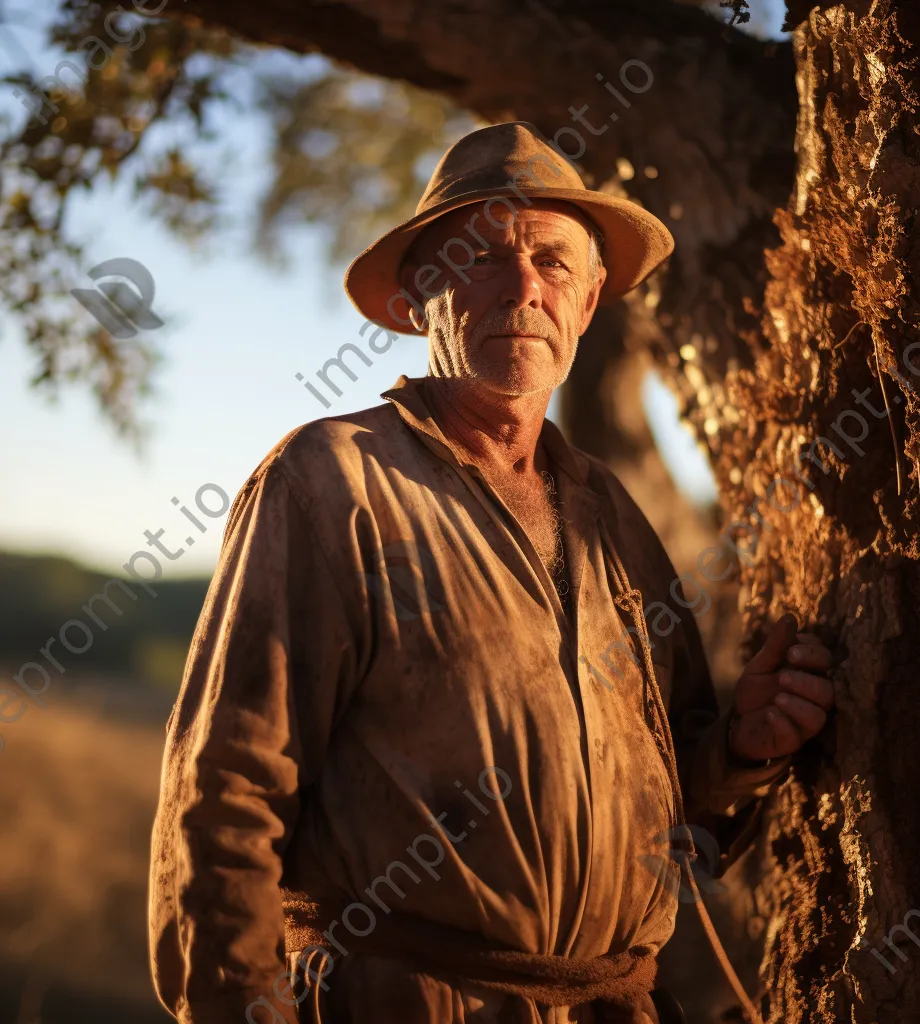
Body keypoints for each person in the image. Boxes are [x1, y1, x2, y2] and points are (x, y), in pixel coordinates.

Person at [148, 121, 834, 1024]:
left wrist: (742, 751)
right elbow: (224, 792)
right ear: (419, 296)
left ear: (589, 304)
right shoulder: (332, 482)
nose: (523, 289)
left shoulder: (614, 519)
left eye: (554, 263)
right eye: (480, 258)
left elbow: (672, 807)